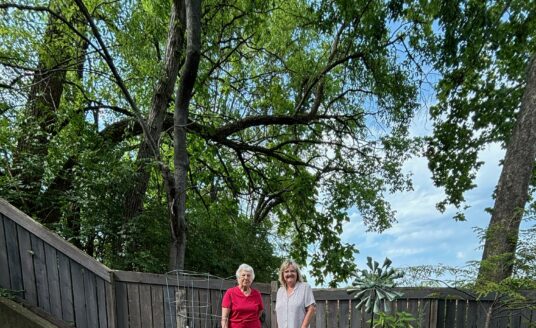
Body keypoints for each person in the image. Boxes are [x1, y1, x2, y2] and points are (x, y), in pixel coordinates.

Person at [275, 259, 316, 328]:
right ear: (283, 274)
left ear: (297, 273)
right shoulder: (280, 291)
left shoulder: (305, 287)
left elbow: (311, 309)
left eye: (292, 271)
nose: (289, 274)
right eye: (286, 271)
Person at [221, 263, 264, 328]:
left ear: (252, 279)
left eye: (249, 275)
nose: (246, 278)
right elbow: (225, 318)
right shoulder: (230, 293)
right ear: (238, 278)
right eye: (243, 275)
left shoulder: (257, 294)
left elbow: (259, 313)